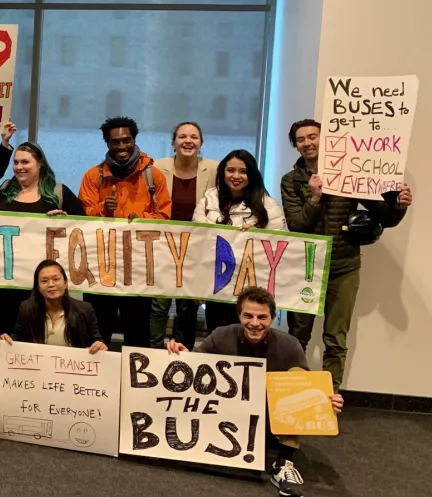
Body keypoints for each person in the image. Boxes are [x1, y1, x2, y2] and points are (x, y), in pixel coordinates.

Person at [168, 287, 344, 497]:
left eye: (262, 317)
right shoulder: (221, 335)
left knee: (297, 375)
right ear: (239, 315)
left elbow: (306, 391)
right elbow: (197, 367)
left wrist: (326, 402)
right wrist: (182, 354)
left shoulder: (289, 345)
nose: (255, 322)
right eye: (248, 315)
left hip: (271, 420)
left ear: (272, 317)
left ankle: (284, 464)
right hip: (229, 416)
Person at [280, 119, 412, 390]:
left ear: (324, 139)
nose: (308, 143)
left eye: (313, 137)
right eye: (301, 139)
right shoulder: (291, 181)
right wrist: (314, 199)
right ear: (295, 145)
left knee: (336, 338)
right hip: (304, 267)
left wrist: (399, 205)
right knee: (297, 335)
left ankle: (331, 398)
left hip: (344, 266)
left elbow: (384, 217)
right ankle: (289, 397)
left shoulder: (349, 173)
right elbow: (296, 225)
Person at [77, 117, 171, 349]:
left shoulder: (153, 176)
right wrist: (102, 210)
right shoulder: (92, 177)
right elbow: (80, 220)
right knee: (98, 334)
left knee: (137, 334)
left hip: (138, 269)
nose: (121, 147)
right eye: (115, 141)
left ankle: (134, 384)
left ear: (134, 140)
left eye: (126, 140)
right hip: (101, 269)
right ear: (107, 144)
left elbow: (165, 217)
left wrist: (141, 219)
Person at [0, 142, 85, 337]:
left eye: (25, 162)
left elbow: (84, 229)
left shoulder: (58, 193)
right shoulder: (4, 190)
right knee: (6, 332)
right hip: (5, 282)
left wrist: (66, 220)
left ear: (40, 164)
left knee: (40, 333)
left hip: (42, 284)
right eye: (15, 162)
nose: (19, 167)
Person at [193, 149, 286, 333]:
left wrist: (259, 236)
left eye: (243, 171)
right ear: (222, 173)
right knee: (218, 336)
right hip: (216, 288)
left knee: (249, 338)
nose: (236, 176)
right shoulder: (207, 201)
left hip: (252, 292)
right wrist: (198, 286)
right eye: (231, 170)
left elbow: (279, 246)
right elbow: (197, 245)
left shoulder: (268, 205)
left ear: (251, 175)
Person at [149, 122, 217, 350]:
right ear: (173, 142)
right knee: (159, 305)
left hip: (196, 249)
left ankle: (183, 354)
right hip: (162, 247)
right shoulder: (157, 168)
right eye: (182, 136)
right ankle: (154, 353)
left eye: (194, 137)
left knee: (188, 306)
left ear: (201, 142)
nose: (188, 141)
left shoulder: (214, 169)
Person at [0, 260, 107, 351]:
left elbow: (96, 339)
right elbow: (18, 337)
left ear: (65, 283)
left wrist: (100, 345)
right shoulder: (27, 309)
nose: (51, 285)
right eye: (44, 281)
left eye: (56, 279)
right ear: (38, 288)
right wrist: (8, 340)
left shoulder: (84, 309)